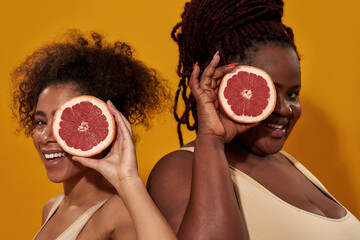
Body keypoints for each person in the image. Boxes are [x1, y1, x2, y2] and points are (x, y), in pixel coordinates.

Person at [147, 0, 360, 239]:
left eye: (293, 94)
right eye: (267, 90)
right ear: (223, 87)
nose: (286, 110)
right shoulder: (178, 169)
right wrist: (211, 139)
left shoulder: (290, 165)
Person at [11, 30, 176, 240]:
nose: (45, 137)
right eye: (41, 122)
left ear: (99, 127)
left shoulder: (118, 214)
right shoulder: (52, 207)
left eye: (66, 122)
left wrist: (128, 179)